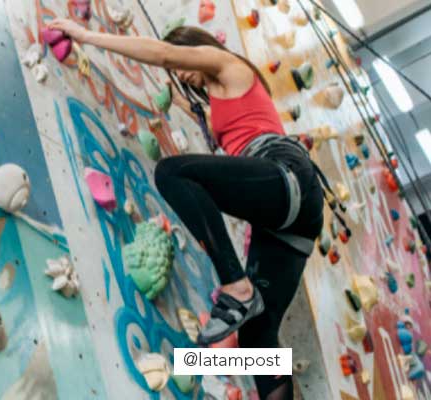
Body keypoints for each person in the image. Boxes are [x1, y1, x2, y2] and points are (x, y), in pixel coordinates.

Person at [47, 20, 334, 399]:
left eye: (181, 63)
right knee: (256, 341)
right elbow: (206, 112)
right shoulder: (216, 97)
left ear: (193, 47)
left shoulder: (229, 66)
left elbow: (162, 53)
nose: (179, 73)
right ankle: (204, 361)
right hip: (291, 223)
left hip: (287, 176)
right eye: (176, 73)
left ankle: (235, 286)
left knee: (171, 173)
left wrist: (85, 36)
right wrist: (177, 98)